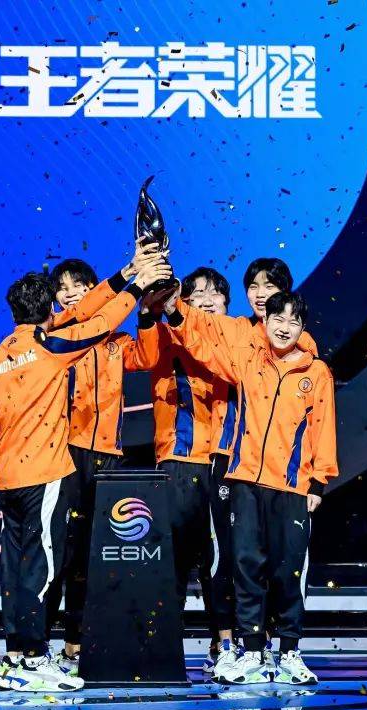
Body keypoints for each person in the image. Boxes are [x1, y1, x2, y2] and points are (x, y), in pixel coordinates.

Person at [0, 255, 171, 692]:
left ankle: (15, 657)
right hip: (49, 469)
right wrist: (136, 285)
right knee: (45, 567)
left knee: (19, 568)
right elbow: (99, 322)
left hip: (11, 476)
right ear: (51, 308)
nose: (68, 299)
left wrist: (128, 274)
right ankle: (34, 658)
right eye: (60, 293)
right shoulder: (51, 347)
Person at [160, 288, 338, 685]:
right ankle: (253, 650)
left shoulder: (316, 373)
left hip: (292, 487)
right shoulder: (247, 360)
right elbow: (203, 350)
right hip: (245, 483)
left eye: (293, 321)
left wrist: (319, 482)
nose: (284, 327)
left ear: (302, 329)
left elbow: (323, 428)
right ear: (265, 322)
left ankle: (290, 652)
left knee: (289, 570)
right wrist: (174, 314)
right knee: (246, 567)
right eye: (278, 319)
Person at [44, 251, 156, 675]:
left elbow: (147, 357)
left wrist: (146, 313)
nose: (71, 293)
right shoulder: (55, 336)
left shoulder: (115, 343)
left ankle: (76, 644)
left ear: (94, 289)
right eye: (62, 288)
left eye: (79, 285)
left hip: (108, 459)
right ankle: (39, 647)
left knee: (94, 557)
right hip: (65, 455)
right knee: (60, 553)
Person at [125, 267, 238, 675]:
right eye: (197, 294)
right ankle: (163, 646)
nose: (207, 300)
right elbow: (141, 358)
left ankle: (223, 644)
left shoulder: (239, 338)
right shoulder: (166, 334)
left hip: (227, 463)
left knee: (219, 561)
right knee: (170, 559)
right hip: (179, 459)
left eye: (216, 293)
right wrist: (146, 313)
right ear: (183, 302)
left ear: (227, 303)